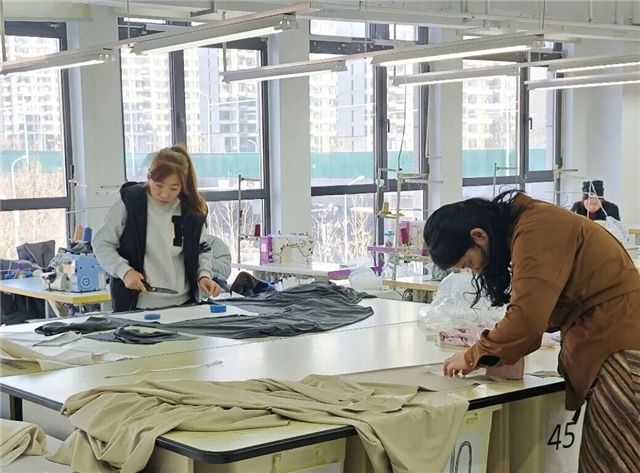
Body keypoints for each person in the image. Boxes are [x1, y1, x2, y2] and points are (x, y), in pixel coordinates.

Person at [424, 191, 640, 472]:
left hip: (622, 350)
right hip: (614, 338)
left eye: (468, 264)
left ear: (479, 235)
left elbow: (526, 320)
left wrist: (472, 356)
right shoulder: (530, 224)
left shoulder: (536, 228)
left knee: (617, 461)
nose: (476, 272)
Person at [94, 144, 221, 312]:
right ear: (149, 176)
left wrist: (204, 275)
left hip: (184, 305)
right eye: (159, 185)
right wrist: (124, 271)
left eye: (174, 188)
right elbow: (101, 244)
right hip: (136, 306)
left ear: (183, 185)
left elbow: (201, 249)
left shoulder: (192, 210)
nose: (165, 194)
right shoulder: (130, 203)